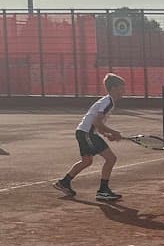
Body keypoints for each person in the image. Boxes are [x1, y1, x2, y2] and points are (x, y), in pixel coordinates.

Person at [54, 73, 126, 201]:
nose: (123, 91)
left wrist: (107, 134)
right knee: (111, 158)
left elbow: (97, 124)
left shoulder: (107, 101)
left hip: (83, 132)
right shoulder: (108, 102)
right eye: (121, 88)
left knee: (87, 161)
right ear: (114, 88)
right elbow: (96, 123)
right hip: (86, 133)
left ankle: (64, 183)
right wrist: (114, 132)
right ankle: (103, 191)